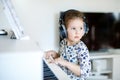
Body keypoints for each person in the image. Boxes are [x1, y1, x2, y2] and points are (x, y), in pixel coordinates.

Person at [45, 9, 91, 80]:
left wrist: (66, 63)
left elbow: (85, 72)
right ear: (63, 30)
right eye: (73, 28)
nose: (77, 32)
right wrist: (55, 55)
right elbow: (62, 58)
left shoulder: (81, 48)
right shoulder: (63, 42)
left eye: (81, 28)